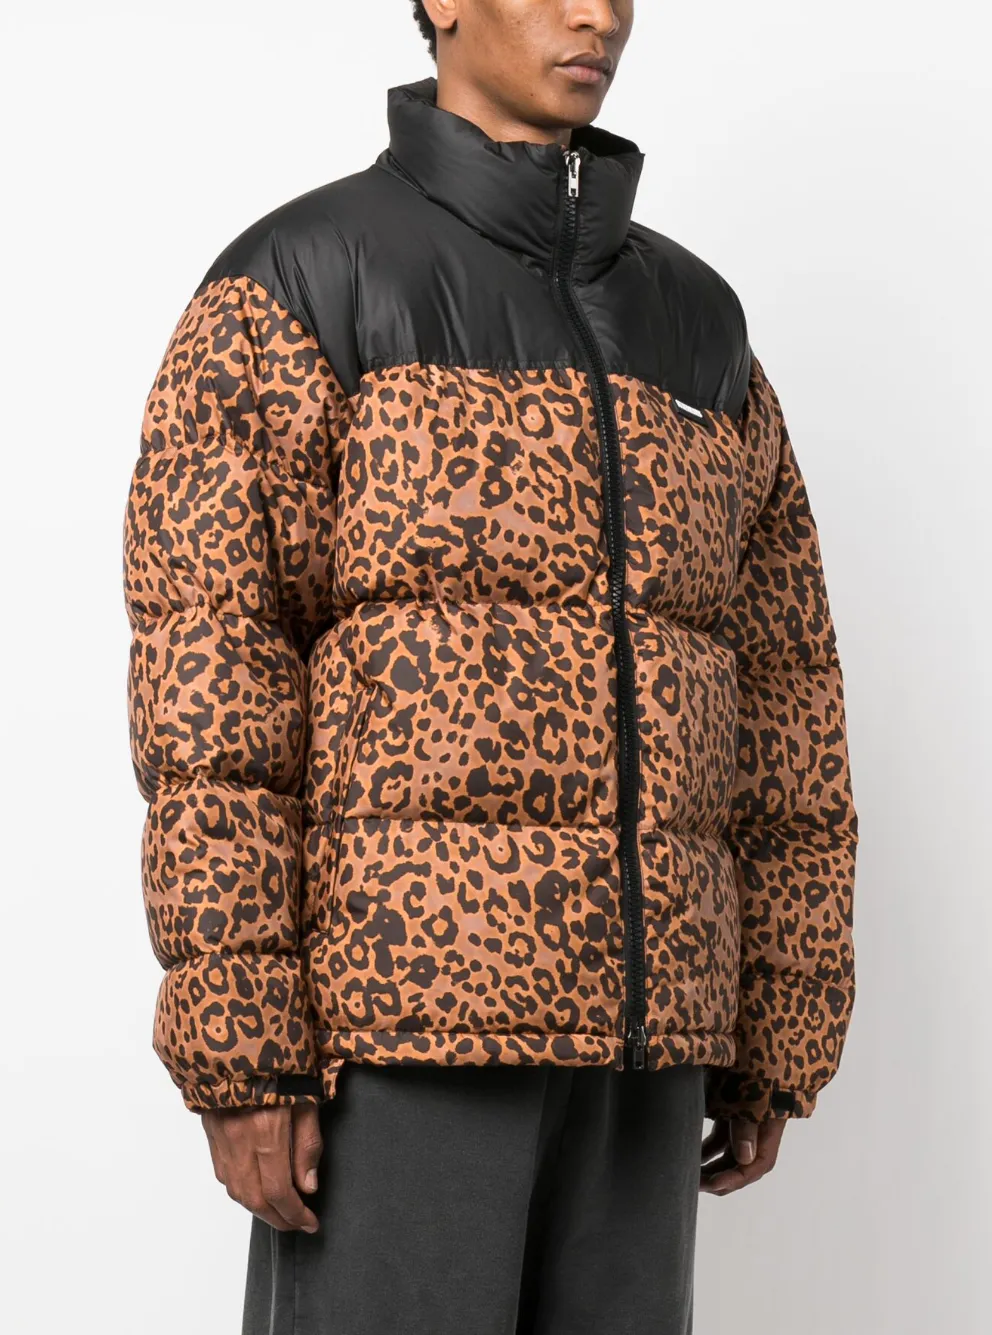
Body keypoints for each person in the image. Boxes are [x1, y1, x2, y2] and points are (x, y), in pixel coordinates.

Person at [122, 1, 858, 1330]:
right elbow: (212, 686)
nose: (598, 15)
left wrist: (775, 1024)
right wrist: (242, 1043)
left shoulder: (700, 327)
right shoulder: (302, 283)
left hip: (648, 1045)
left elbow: (784, 696)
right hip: (403, 1035)